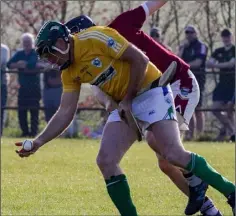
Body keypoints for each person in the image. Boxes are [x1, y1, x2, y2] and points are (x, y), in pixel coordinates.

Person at [15, 13, 235, 216]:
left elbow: (141, 60)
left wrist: (128, 99)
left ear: (62, 42)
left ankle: (231, 191)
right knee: (106, 160)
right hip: (126, 103)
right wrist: (38, 142)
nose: (51, 61)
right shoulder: (69, 71)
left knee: (173, 154)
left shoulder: (96, 37)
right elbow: (65, 112)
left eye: (50, 53)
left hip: (151, 91)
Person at [65, 3, 220, 216]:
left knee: (165, 150)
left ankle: (204, 190)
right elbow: (103, 94)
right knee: (165, 164)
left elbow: (152, 5)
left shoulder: (117, 28)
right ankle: (208, 206)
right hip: (151, 95)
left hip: (177, 82)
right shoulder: (92, 59)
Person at [7, 33, 41, 137]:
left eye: (29, 42)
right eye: (25, 42)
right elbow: (9, 64)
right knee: (22, 111)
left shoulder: (35, 53)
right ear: (23, 43)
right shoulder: (19, 53)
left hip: (34, 87)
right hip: (22, 87)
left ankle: (34, 133)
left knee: (34, 111)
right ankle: (24, 132)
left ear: (32, 43)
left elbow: (32, 64)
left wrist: (23, 64)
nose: (27, 44)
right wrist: (19, 64)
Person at [178, 25, 208, 140]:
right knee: (187, 108)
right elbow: (177, 59)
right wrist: (181, 49)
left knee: (198, 108)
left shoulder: (201, 46)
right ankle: (190, 135)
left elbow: (198, 62)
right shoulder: (184, 46)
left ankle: (200, 135)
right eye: (187, 32)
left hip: (199, 80)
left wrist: (184, 66)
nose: (189, 34)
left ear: (196, 33)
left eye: (191, 32)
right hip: (186, 80)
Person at [206, 29, 235, 141]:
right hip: (222, 84)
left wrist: (217, 65)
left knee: (229, 110)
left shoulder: (234, 50)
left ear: (231, 37)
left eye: (227, 36)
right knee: (215, 108)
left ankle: (230, 133)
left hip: (232, 84)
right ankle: (231, 130)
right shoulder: (218, 51)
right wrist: (222, 65)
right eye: (224, 36)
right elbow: (208, 63)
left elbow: (231, 64)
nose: (226, 38)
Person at [1, 43, 10, 136]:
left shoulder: (4, 49)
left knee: (1, 108)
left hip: (2, 83)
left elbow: (5, 64)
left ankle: (0, 132)